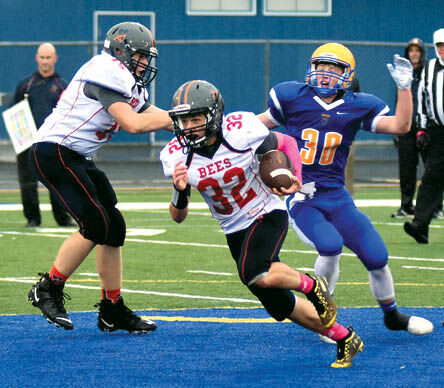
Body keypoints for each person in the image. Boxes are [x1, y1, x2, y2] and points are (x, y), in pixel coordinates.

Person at [160, 79, 364, 368]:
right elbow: (177, 216)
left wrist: (295, 177)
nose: (190, 126)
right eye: (184, 120)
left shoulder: (239, 130)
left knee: (255, 271)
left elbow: (286, 142)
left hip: (265, 210)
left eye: (197, 118)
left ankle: (312, 285)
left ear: (214, 115)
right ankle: (345, 337)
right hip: (233, 227)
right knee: (278, 303)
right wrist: (180, 189)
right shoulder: (176, 155)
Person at [258, 43, 433, 336]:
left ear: (347, 73)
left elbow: (402, 125)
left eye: (333, 68)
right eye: (320, 66)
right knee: (329, 245)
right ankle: (322, 317)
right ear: (311, 68)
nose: (325, 73)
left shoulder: (357, 105)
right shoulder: (291, 96)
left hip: (336, 195)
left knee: (377, 257)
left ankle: (392, 317)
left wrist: (405, 87)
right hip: (301, 195)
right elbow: (256, 127)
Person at [27, 22, 172, 333]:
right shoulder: (105, 71)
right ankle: (47, 287)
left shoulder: (124, 80)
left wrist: (195, 125)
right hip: (54, 151)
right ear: (122, 51)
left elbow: (151, 112)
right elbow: (134, 123)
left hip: (75, 156)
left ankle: (112, 308)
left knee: (113, 227)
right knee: (96, 223)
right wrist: (177, 119)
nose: (145, 64)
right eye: (141, 56)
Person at [11, 43, 74, 227]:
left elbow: (71, 114)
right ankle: (32, 218)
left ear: (55, 58)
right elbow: (14, 112)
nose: (45, 61)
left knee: (58, 181)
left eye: (49, 58)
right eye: (42, 57)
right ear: (37, 58)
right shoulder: (25, 85)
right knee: (27, 182)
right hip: (27, 144)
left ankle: (62, 218)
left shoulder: (63, 86)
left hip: (53, 143)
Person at [392, 38, 443, 219]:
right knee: (406, 168)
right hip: (407, 127)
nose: (414, 54)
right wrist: (397, 127)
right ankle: (406, 205)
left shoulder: (430, 71)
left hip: (426, 126)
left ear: (422, 53)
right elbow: (398, 100)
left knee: (433, 167)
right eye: (411, 50)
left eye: (417, 50)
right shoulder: (403, 73)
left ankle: (436, 206)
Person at [404, 28, 444, 243]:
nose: (443, 50)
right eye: (439, 46)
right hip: (438, 131)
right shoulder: (428, 70)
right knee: (431, 177)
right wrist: (421, 128)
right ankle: (420, 225)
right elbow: (422, 99)